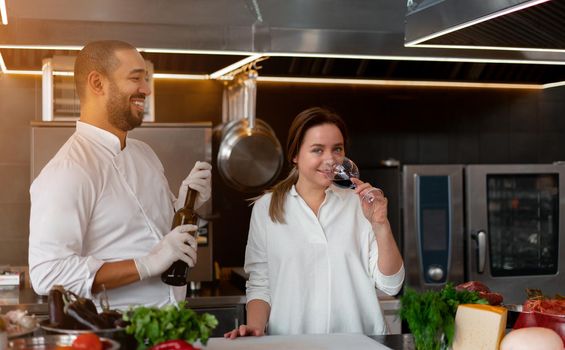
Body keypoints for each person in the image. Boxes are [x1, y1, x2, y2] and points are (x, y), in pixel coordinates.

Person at [28, 40, 212, 310]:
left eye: (146, 79)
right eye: (135, 78)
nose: (146, 90)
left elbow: (148, 234)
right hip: (117, 335)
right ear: (97, 83)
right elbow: (47, 274)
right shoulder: (67, 171)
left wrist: (184, 205)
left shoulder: (144, 153)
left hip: (170, 326)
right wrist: (145, 264)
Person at [225, 107, 404, 338]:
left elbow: (391, 285)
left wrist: (380, 223)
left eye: (337, 149)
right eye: (317, 150)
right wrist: (256, 328)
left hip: (360, 341)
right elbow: (261, 283)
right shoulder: (266, 208)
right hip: (291, 342)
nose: (330, 160)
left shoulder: (361, 204)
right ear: (295, 155)